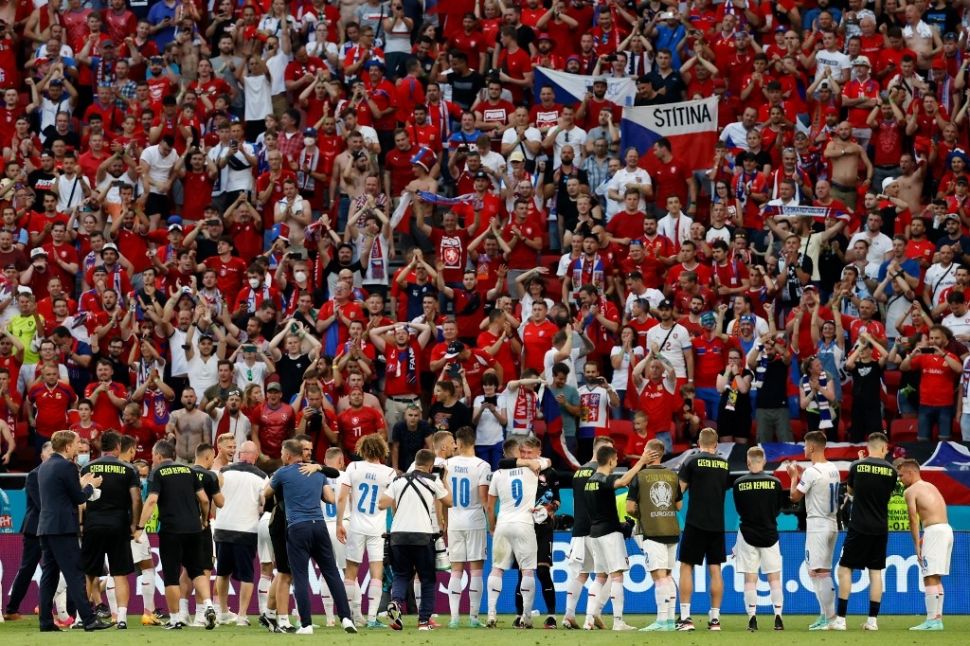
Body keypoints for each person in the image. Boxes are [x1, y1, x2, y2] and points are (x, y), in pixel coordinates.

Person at [264, 439, 356, 635]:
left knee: (300, 576)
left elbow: (266, 493)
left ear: (288, 455)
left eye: (282, 453)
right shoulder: (317, 472)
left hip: (297, 528)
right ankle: (347, 619)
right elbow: (330, 499)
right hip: (319, 526)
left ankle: (305, 624)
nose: (281, 456)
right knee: (332, 573)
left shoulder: (282, 473)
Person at [133, 440, 216, 630]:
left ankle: (175, 619)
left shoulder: (158, 472)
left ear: (159, 456)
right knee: (196, 569)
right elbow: (204, 499)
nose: (152, 460)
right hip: (194, 528)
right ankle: (208, 606)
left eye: (153, 456)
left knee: (171, 575)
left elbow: (152, 500)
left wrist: (140, 526)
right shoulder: (189, 470)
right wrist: (203, 519)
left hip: (171, 529)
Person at [36, 430, 112, 632]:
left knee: (49, 576)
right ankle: (89, 619)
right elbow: (79, 498)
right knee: (75, 574)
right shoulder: (67, 466)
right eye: (77, 443)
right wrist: (90, 485)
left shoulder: (45, 467)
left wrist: (79, 484)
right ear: (67, 446)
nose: (79, 447)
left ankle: (45, 622)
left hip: (46, 527)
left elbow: (61, 493)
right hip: (63, 528)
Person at [831, 432, 898, 631]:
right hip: (880, 528)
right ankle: (872, 621)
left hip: (859, 526)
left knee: (845, 570)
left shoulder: (856, 466)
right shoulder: (892, 471)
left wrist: (861, 464)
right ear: (884, 448)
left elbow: (851, 492)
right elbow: (884, 492)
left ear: (869, 447)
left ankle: (841, 620)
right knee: (875, 573)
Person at [582, 442, 651, 631]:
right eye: (616, 459)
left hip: (594, 533)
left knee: (600, 577)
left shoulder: (589, 482)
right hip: (609, 535)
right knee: (617, 576)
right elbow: (622, 482)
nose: (617, 461)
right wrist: (641, 462)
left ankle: (588, 620)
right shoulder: (605, 479)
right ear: (611, 460)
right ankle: (618, 621)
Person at [381, 448, 452, 631]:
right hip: (422, 535)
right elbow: (449, 502)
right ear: (430, 466)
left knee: (401, 575)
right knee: (427, 578)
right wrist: (444, 480)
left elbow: (382, 503)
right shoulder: (433, 480)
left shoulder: (398, 480)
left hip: (398, 535)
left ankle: (396, 604)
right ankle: (423, 622)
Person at [485, 438, 551, 628]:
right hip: (524, 524)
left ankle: (491, 614)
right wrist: (529, 461)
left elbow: (490, 507)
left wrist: (492, 526)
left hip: (503, 524)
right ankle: (526, 616)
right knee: (528, 570)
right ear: (519, 453)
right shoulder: (533, 468)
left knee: (497, 568)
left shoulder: (497, 474)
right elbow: (547, 462)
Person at [79, 431, 140, 630]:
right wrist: (135, 524)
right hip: (119, 525)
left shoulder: (87, 467)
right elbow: (136, 499)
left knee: (89, 574)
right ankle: (121, 618)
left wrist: (81, 524)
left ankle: (83, 618)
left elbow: (81, 499)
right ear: (117, 447)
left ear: (100, 447)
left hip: (93, 525)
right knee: (120, 574)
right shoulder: (128, 469)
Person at [336, 434, 395, 628]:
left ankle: (350, 616)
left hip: (356, 525)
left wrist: (339, 523)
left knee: (351, 572)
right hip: (377, 527)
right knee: (376, 572)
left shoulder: (353, 467)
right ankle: (371, 619)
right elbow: (391, 502)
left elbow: (342, 497)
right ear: (381, 450)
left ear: (362, 449)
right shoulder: (389, 473)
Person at [786, 430, 842, 630]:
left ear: (811, 447)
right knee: (818, 571)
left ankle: (831, 618)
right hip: (832, 524)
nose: (803, 448)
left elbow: (794, 497)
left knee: (820, 572)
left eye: (804, 445)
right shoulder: (834, 468)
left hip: (818, 525)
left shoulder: (811, 472)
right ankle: (824, 615)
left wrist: (793, 476)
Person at [676, 427, 729, 632]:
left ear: (699, 443)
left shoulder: (691, 461)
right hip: (717, 524)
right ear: (716, 444)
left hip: (695, 522)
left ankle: (686, 618)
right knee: (715, 569)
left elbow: (678, 493)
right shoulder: (724, 465)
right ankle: (715, 619)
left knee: (686, 567)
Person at [627, 438, 681, 632]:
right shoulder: (672, 475)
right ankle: (670, 621)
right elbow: (678, 505)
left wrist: (644, 512)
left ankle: (661, 621)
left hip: (651, 530)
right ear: (662, 453)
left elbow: (630, 507)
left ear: (647, 453)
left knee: (659, 577)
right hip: (672, 530)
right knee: (667, 575)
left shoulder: (639, 476)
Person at [213, 440, 269, 627]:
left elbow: (215, 495)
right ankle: (242, 615)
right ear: (255, 456)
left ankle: (222, 611)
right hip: (246, 530)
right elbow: (263, 503)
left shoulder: (224, 472)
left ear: (240, 454)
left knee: (222, 573)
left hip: (222, 528)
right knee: (246, 576)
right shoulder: (262, 477)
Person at [561, 435, 613, 629]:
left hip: (579, 529)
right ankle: (590, 619)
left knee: (581, 573)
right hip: (596, 530)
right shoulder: (601, 473)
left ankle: (568, 615)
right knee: (603, 574)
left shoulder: (578, 472)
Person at [732, 446, 786, 632]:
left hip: (748, 535)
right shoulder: (775, 482)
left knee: (750, 579)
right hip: (770, 533)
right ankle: (778, 618)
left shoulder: (738, 483)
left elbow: (739, 509)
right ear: (763, 461)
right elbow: (778, 509)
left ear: (748, 462)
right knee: (774, 579)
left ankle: (752, 619)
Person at [444, 426, 491, 628]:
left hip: (454, 520)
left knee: (456, 570)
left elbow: (441, 495)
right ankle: (473, 617)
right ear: (474, 442)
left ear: (459, 443)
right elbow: (484, 498)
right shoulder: (482, 466)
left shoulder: (446, 464)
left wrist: (443, 520)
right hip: (474, 521)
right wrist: (491, 520)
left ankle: (454, 618)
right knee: (476, 570)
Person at [899, 459, 953, 631]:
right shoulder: (931, 486)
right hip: (946, 529)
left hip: (934, 531)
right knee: (936, 576)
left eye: (901, 475)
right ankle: (937, 619)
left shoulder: (910, 491)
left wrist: (916, 544)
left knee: (928, 575)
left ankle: (931, 620)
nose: (900, 479)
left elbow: (913, 519)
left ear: (911, 472)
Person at [4, 441, 52, 621]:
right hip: (35, 528)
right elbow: (41, 503)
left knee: (62, 569)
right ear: (42, 456)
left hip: (53, 527)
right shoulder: (33, 475)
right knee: (27, 569)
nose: (52, 456)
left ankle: (68, 610)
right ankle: (11, 610)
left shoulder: (60, 473)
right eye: (49, 453)